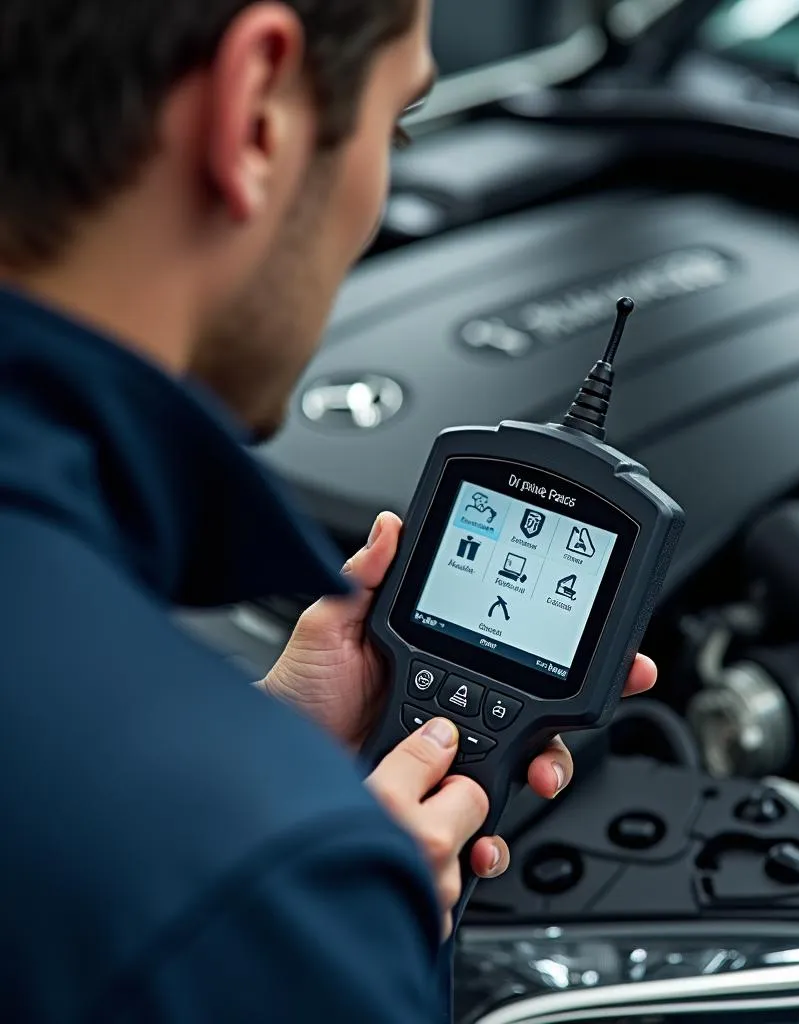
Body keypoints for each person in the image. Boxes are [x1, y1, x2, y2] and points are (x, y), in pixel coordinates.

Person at [0, 1, 659, 1020]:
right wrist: (313, 879)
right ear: (257, 111)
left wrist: (266, 752)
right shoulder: (274, 901)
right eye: (397, 124)